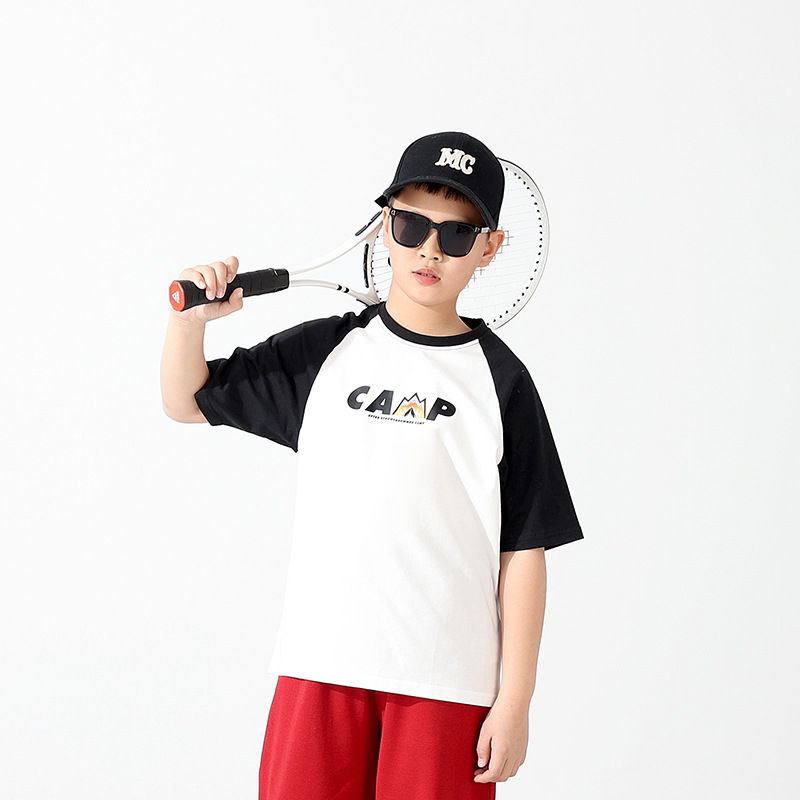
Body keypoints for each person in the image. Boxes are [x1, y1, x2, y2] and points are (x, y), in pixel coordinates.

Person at [161, 131, 583, 800]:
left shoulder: (501, 382)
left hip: (447, 686)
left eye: (456, 234)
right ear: (385, 225)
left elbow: (525, 550)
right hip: (318, 668)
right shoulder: (326, 356)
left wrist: (515, 700)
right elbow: (187, 401)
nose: (429, 249)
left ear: (489, 248)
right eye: (412, 225)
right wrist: (191, 325)